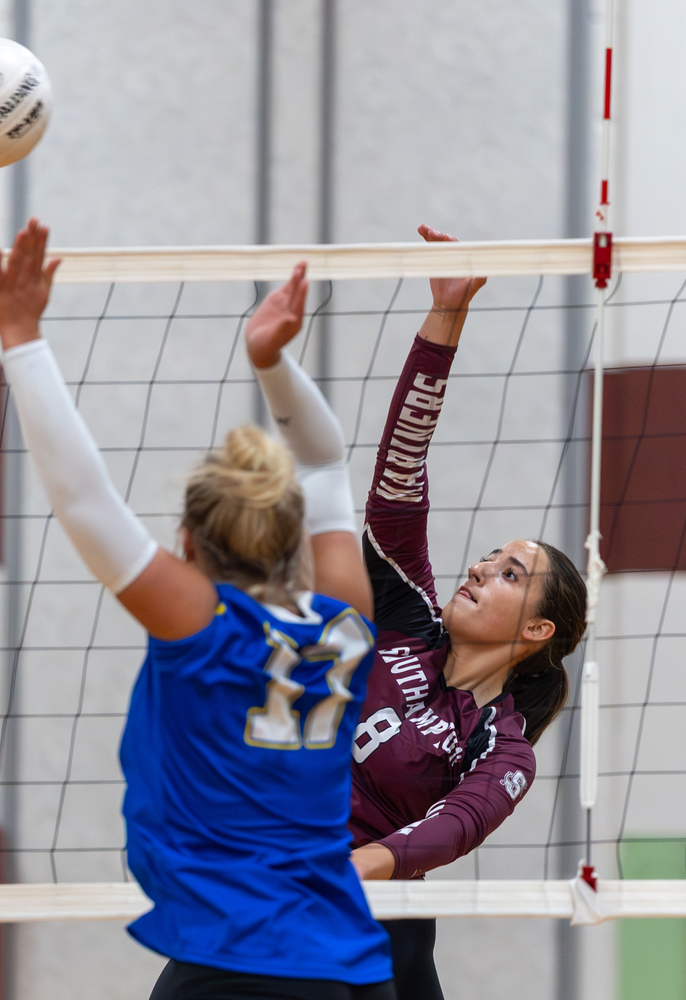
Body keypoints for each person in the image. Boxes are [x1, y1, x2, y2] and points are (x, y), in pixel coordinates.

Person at [0, 220, 393, 1000]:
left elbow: (80, 498)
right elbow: (324, 461)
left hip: (238, 966)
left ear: (184, 542)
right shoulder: (345, 618)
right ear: (293, 536)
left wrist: (21, 334)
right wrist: (269, 361)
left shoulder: (200, 629)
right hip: (346, 966)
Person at [253, 224, 586, 1000]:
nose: (478, 567)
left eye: (509, 574)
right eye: (487, 556)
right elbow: (402, 468)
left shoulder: (502, 748)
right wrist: (445, 317)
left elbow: (449, 832)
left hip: (375, 920)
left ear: (538, 631)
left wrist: (346, 870)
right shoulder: (404, 616)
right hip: (282, 884)